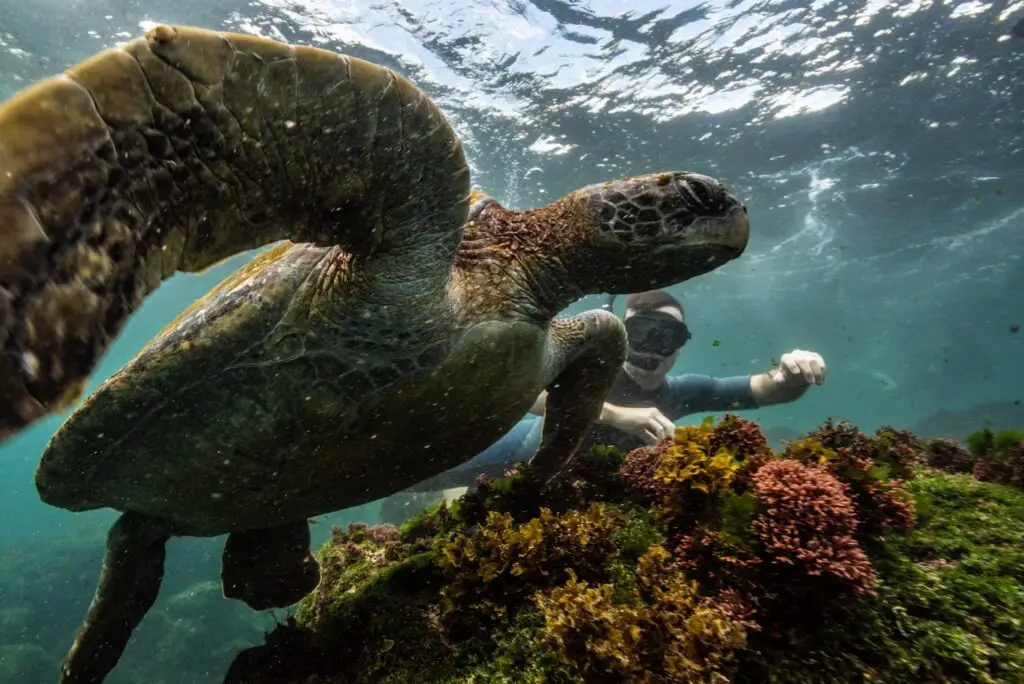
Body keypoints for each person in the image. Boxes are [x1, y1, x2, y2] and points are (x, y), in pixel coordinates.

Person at [403, 289, 826, 493]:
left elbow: (767, 390)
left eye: (668, 338)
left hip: (559, 490)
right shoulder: (593, 369)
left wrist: (791, 374)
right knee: (405, 478)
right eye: (641, 334)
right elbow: (526, 392)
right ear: (622, 335)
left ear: (680, 348)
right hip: (511, 453)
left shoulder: (682, 393)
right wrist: (611, 413)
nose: (652, 351)